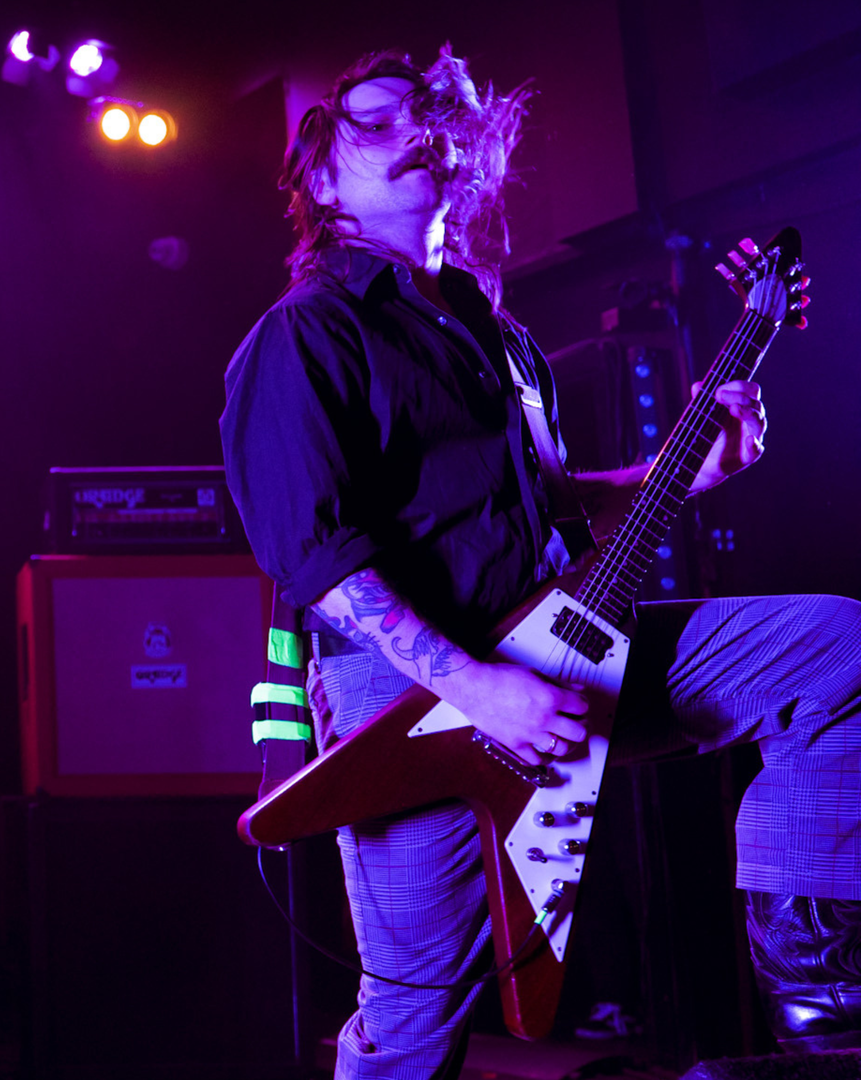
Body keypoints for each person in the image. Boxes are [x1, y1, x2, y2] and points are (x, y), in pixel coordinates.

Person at [220, 49, 861, 1078]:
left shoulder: (494, 334)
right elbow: (318, 558)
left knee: (836, 648)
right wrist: (478, 691)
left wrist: (680, 469)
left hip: (568, 635)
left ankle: (817, 994)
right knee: (416, 1018)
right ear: (323, 182)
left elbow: (551, 504)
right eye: (372, 121)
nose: (410, 131)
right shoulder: (303, 335)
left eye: (422, 116)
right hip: (420, 690)